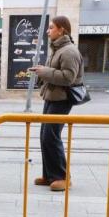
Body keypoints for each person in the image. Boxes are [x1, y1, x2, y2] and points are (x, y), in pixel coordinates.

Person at [30, 16, 82, 193]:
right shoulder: (57, 49)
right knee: (45, 136)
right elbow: (54, 72)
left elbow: (69, 77)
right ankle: (50, 175)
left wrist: (45, 71)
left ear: (61, 30)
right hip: (52, 97)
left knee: (51, 136)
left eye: (51, 27)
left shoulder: (69, 51)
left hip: (62, 99)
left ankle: (62, 177)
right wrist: (41, 72)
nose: (48, 30)